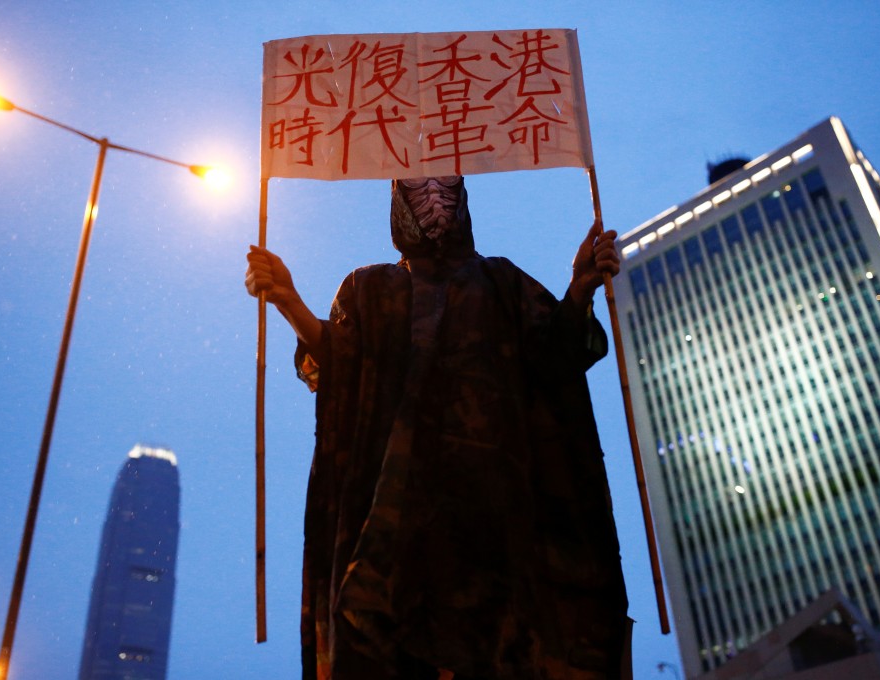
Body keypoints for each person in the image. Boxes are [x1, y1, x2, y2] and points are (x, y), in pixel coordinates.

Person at [246, 176, 629, 680]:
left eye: (445, 185)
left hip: (495, 513)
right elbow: (337, 364)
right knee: (386, 638)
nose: (433, 199)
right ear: (397, 202)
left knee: (501, 645)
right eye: (418, 187)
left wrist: (580, 289)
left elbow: (556, 359)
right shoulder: (367, 287)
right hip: (395, 516)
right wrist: (288, 300)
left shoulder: (502, 282)